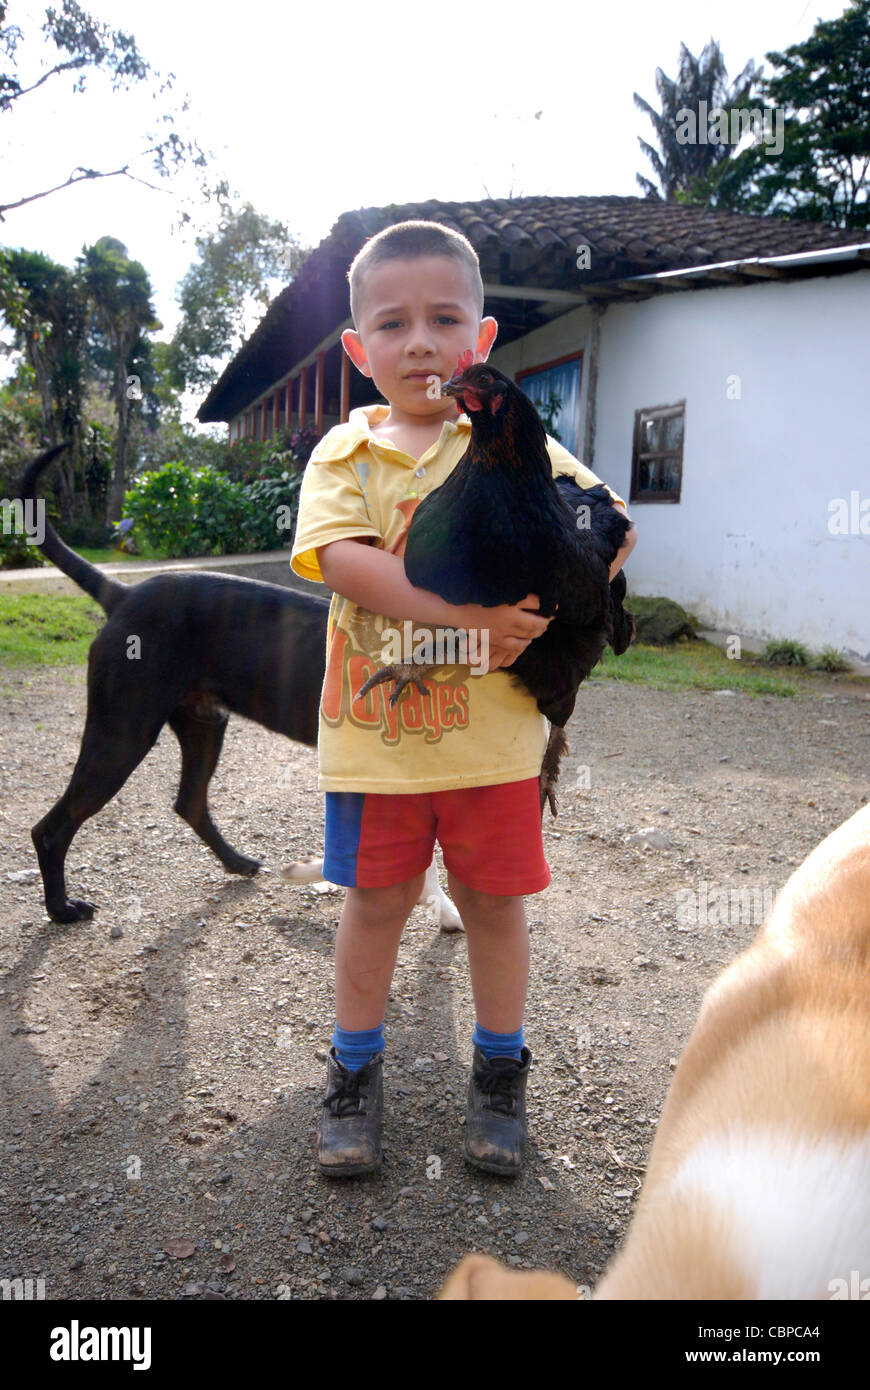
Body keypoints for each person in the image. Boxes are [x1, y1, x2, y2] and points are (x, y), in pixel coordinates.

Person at [291, 220, 636, 1177]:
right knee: (375, 906)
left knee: (491, 908)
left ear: (481, 343)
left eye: (446, 319)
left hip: (493, 748)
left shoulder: (526, 447)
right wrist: (469, 629)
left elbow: (615, 525)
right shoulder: (348, 453)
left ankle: (499, 1069)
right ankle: (355, 1071)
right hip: (377, 742)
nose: (422, 342)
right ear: (359, 352)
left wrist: (579, 587)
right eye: (393, 323)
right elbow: (348, 564)